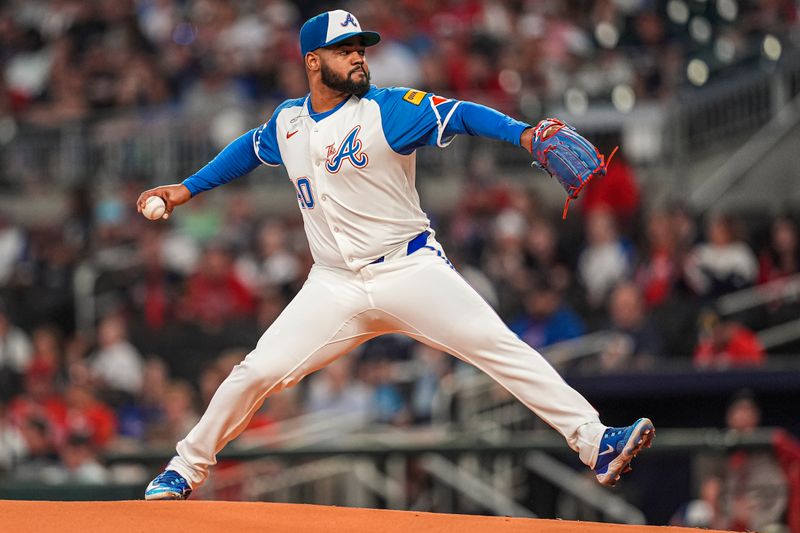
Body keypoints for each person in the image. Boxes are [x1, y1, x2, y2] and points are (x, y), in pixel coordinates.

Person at [138, 10, 653, 500]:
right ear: (312, 61)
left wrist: (521, 134)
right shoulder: (289, 121)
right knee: (254, 372)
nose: (359, 57)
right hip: (333, 284)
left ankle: (595, 441)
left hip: (409, 269)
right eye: (345, 50)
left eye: (361, 48)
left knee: (500, 346)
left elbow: (461, 114)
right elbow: (249, 149)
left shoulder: (387, 110)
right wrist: (187, 187)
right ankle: (183, 469)